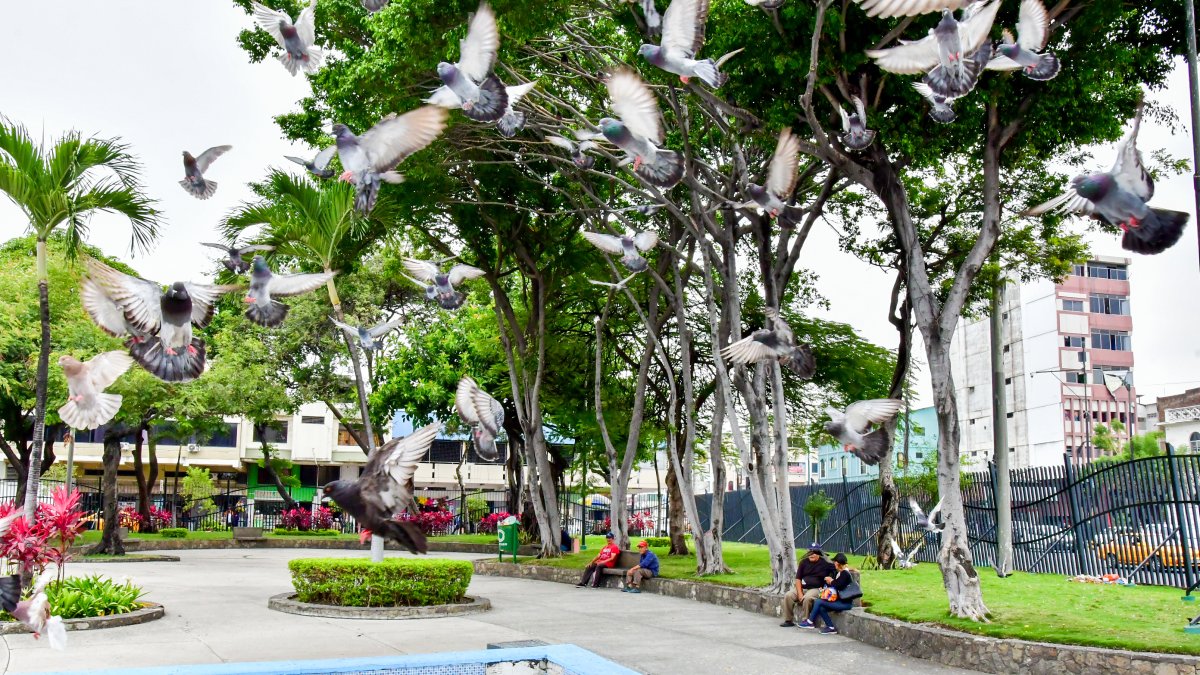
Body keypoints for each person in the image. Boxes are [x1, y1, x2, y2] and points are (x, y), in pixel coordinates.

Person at [798, 553, 863, 634]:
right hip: (840, 601)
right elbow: (836, 584)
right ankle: (831, 627)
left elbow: (838, 585)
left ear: (837, 563)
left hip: (845, 603)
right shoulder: (841, 573)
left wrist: (831, 580)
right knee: (821, 608)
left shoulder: (844, 574)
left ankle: (810, 622)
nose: (834, 564)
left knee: (818, 601)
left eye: (835, 562)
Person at [779, 546, 836, 627]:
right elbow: (798, 579)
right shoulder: (803, 562)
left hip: (816, 589)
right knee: (788, 595)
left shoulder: (825, 563)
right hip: (803, 587)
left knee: (807, 597)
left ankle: (807, 621)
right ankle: (788, 620)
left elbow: (839, 567)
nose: (811, 554)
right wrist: (799, 593)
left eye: (814, 552)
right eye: (809, 552)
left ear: (819, 554)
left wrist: (849, 569)